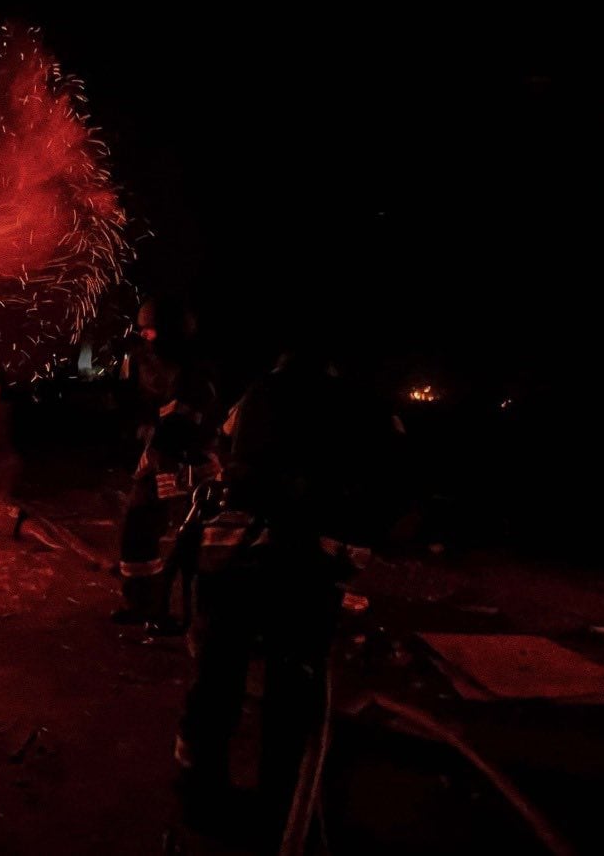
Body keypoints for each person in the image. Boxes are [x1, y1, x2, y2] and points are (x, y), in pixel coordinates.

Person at [174, 337, 368, 844]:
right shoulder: (351, 404)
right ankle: (281, 809)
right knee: (290, 696)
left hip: (235, 560)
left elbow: (222, 452)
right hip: (304, 571)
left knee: (216, 683)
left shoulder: (259, 393)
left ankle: (198, 794)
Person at [113, 297, 218, 634]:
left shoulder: (194, 371)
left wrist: (162, 449)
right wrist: (141, 432)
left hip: (184, 461)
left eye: (152, 330)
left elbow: (188, 420)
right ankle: (142, 604)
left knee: (182, 540)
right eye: (143, 330)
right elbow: (133, 404)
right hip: (156, 454)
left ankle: (180, 614)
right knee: (138, 527)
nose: (145, 336)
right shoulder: (142, 360)